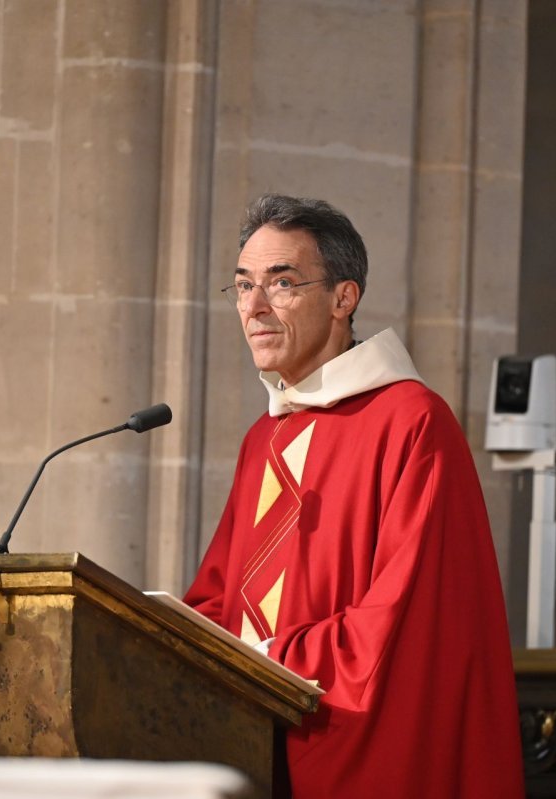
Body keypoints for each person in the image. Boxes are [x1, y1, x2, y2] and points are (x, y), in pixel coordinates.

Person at [184, 194, 525, 798]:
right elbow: (219, 597)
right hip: (249, 740)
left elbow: (404, 618)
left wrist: (264, 658)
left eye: (281, 283)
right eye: (242, 287)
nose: (254, 308)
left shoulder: (412, 420)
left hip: (349, 745)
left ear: (345, 298)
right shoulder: (266, 435)